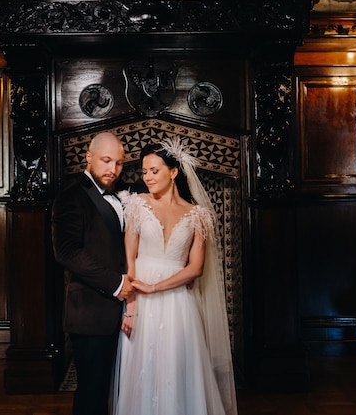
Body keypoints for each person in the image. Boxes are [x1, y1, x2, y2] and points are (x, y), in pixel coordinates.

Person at [111, 137, 237, 415]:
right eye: (144, 171)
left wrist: (155, 287)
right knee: (143, 368)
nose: (147, 178)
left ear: (174, 172)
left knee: (177, 369)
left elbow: (195, 268)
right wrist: (130, 308)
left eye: (154, 171)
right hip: (140, 303)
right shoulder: (137, 204)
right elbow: (129, 259)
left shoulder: (197, 215)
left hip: (178, 302)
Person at [52, 131, 135, 415]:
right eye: (106, 160)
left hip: (122, 311)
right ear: (88, 157)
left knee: (115, 390)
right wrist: (116, 284)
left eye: (120, 163)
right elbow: (67, 252)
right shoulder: (71, 197)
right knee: (92, 392)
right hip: (91, 312)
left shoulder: (124, 194)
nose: (113, 169)